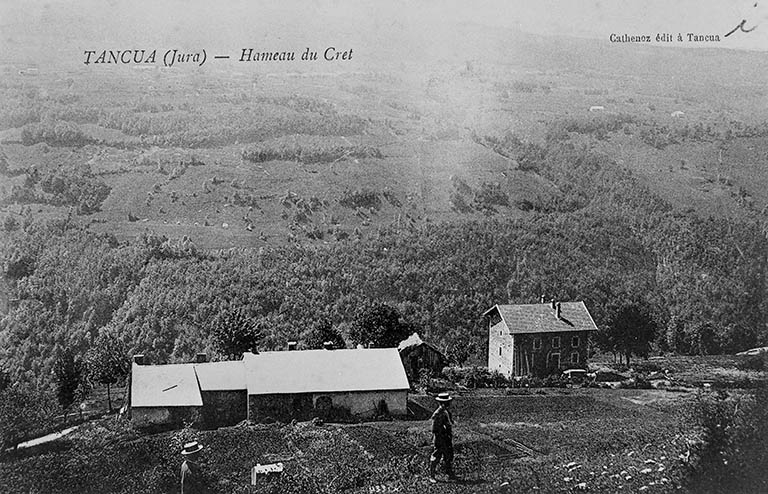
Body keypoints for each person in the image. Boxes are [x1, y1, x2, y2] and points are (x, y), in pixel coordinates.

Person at [429, 392, 456, 483]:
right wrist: (443, 431)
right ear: (442, 403)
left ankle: (449, 473)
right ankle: (432, 476)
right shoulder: (437, 414)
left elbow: (449, 423)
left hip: (446, 437)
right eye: (447, 402)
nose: (449, 404)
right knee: (436, 456)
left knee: (448, 455)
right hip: (440, 438)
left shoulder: (446, 412)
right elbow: (434, 429)